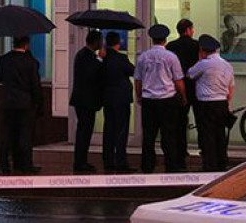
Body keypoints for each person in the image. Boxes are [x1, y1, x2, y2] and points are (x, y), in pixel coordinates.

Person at [134, 24, 187, 173]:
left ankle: (147, 165)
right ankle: (171, 165)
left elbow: (138, 79)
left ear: (152, 39)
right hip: (167, 99)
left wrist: (139, 96)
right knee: (169, 134)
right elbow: (178, 80)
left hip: (149, 99)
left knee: (148, 135)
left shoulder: (143, 57)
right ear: (165, 39)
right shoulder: (171, 57)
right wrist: (183, 96)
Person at [0, 35, 42, 174]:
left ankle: (4, 165)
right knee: (25, 136)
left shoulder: (3, 59)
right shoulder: (30, 62)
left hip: (7, 103)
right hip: (25, 104)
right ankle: (25, 165)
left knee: (6, 135)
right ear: (26, 44)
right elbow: (35, 85)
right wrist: (38, 103)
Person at [187, 34, 234, 172]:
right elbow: (231, 86)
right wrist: (227, 103)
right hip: (222, 103)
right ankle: (222, 162)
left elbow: (189, 74)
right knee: (220, 134)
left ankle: (210, 165)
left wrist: (199, 60)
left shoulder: (203, 64)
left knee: (207, 135)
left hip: (206, 104)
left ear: (202, 50)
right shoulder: (227, 65)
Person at [165, 18, 199, 171]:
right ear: (189, 30)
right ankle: (206, 154)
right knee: (201, 121)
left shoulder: (171, 46)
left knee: (178, 123)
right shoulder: (197, 45)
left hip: (177, 88)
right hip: (194, 87)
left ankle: (179, 155)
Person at [69, 30, 103, 173]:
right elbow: (91, 74)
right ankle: (80, 162)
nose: (102, 43)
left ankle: (82, 160)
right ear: (95, 42)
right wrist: (100, 59)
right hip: (85, 100)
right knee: (84, 131)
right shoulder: (85, 56)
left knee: (85, 131)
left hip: (84, 100)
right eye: (100, 41)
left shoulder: (84, 54)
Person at [101, 31, 135, 172]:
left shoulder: (103, 58)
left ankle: (108, 161)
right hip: (121, 98)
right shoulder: (121, 58)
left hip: (107, 98)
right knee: (121, 130)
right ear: (118, 43)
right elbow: (132, 71)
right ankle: (121, 162)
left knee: (109, 129)